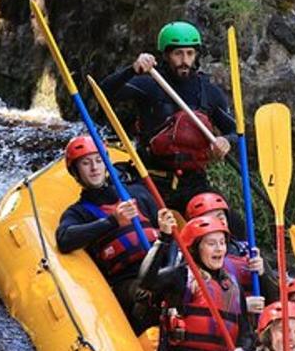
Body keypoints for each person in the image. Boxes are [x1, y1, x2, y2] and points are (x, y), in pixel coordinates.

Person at [97, 22, 237, 214]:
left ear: (196, 55)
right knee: (134, 215)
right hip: (150, 179)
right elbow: (103, 92)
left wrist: (226, 140)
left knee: (229, 222)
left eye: (190, 53)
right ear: (166, 55)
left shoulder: (210, 93)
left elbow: (234, 131)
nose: (184, 60)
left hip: (192, 183)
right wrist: (132, 70)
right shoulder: (149, 83)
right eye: (178, 54)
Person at [140, 215, 258, 351]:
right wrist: (164, 239)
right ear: (195, 248)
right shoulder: (181, 277)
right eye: (211, 243)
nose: (220, 249)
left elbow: (246, 334)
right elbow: (146, 281)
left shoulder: (233, 287)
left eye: (222, 243)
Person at [54, 135, 166, 327]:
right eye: (86, 163)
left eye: (99, 160)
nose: (94, 168)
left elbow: (167, 232)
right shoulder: (79, 212)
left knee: (176, 280)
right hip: (128, 281)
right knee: (146, 295)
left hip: (162, 267)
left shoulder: (137, 193)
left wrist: (167, 233)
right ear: (76, 172)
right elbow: (64, 239)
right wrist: (112, 221)